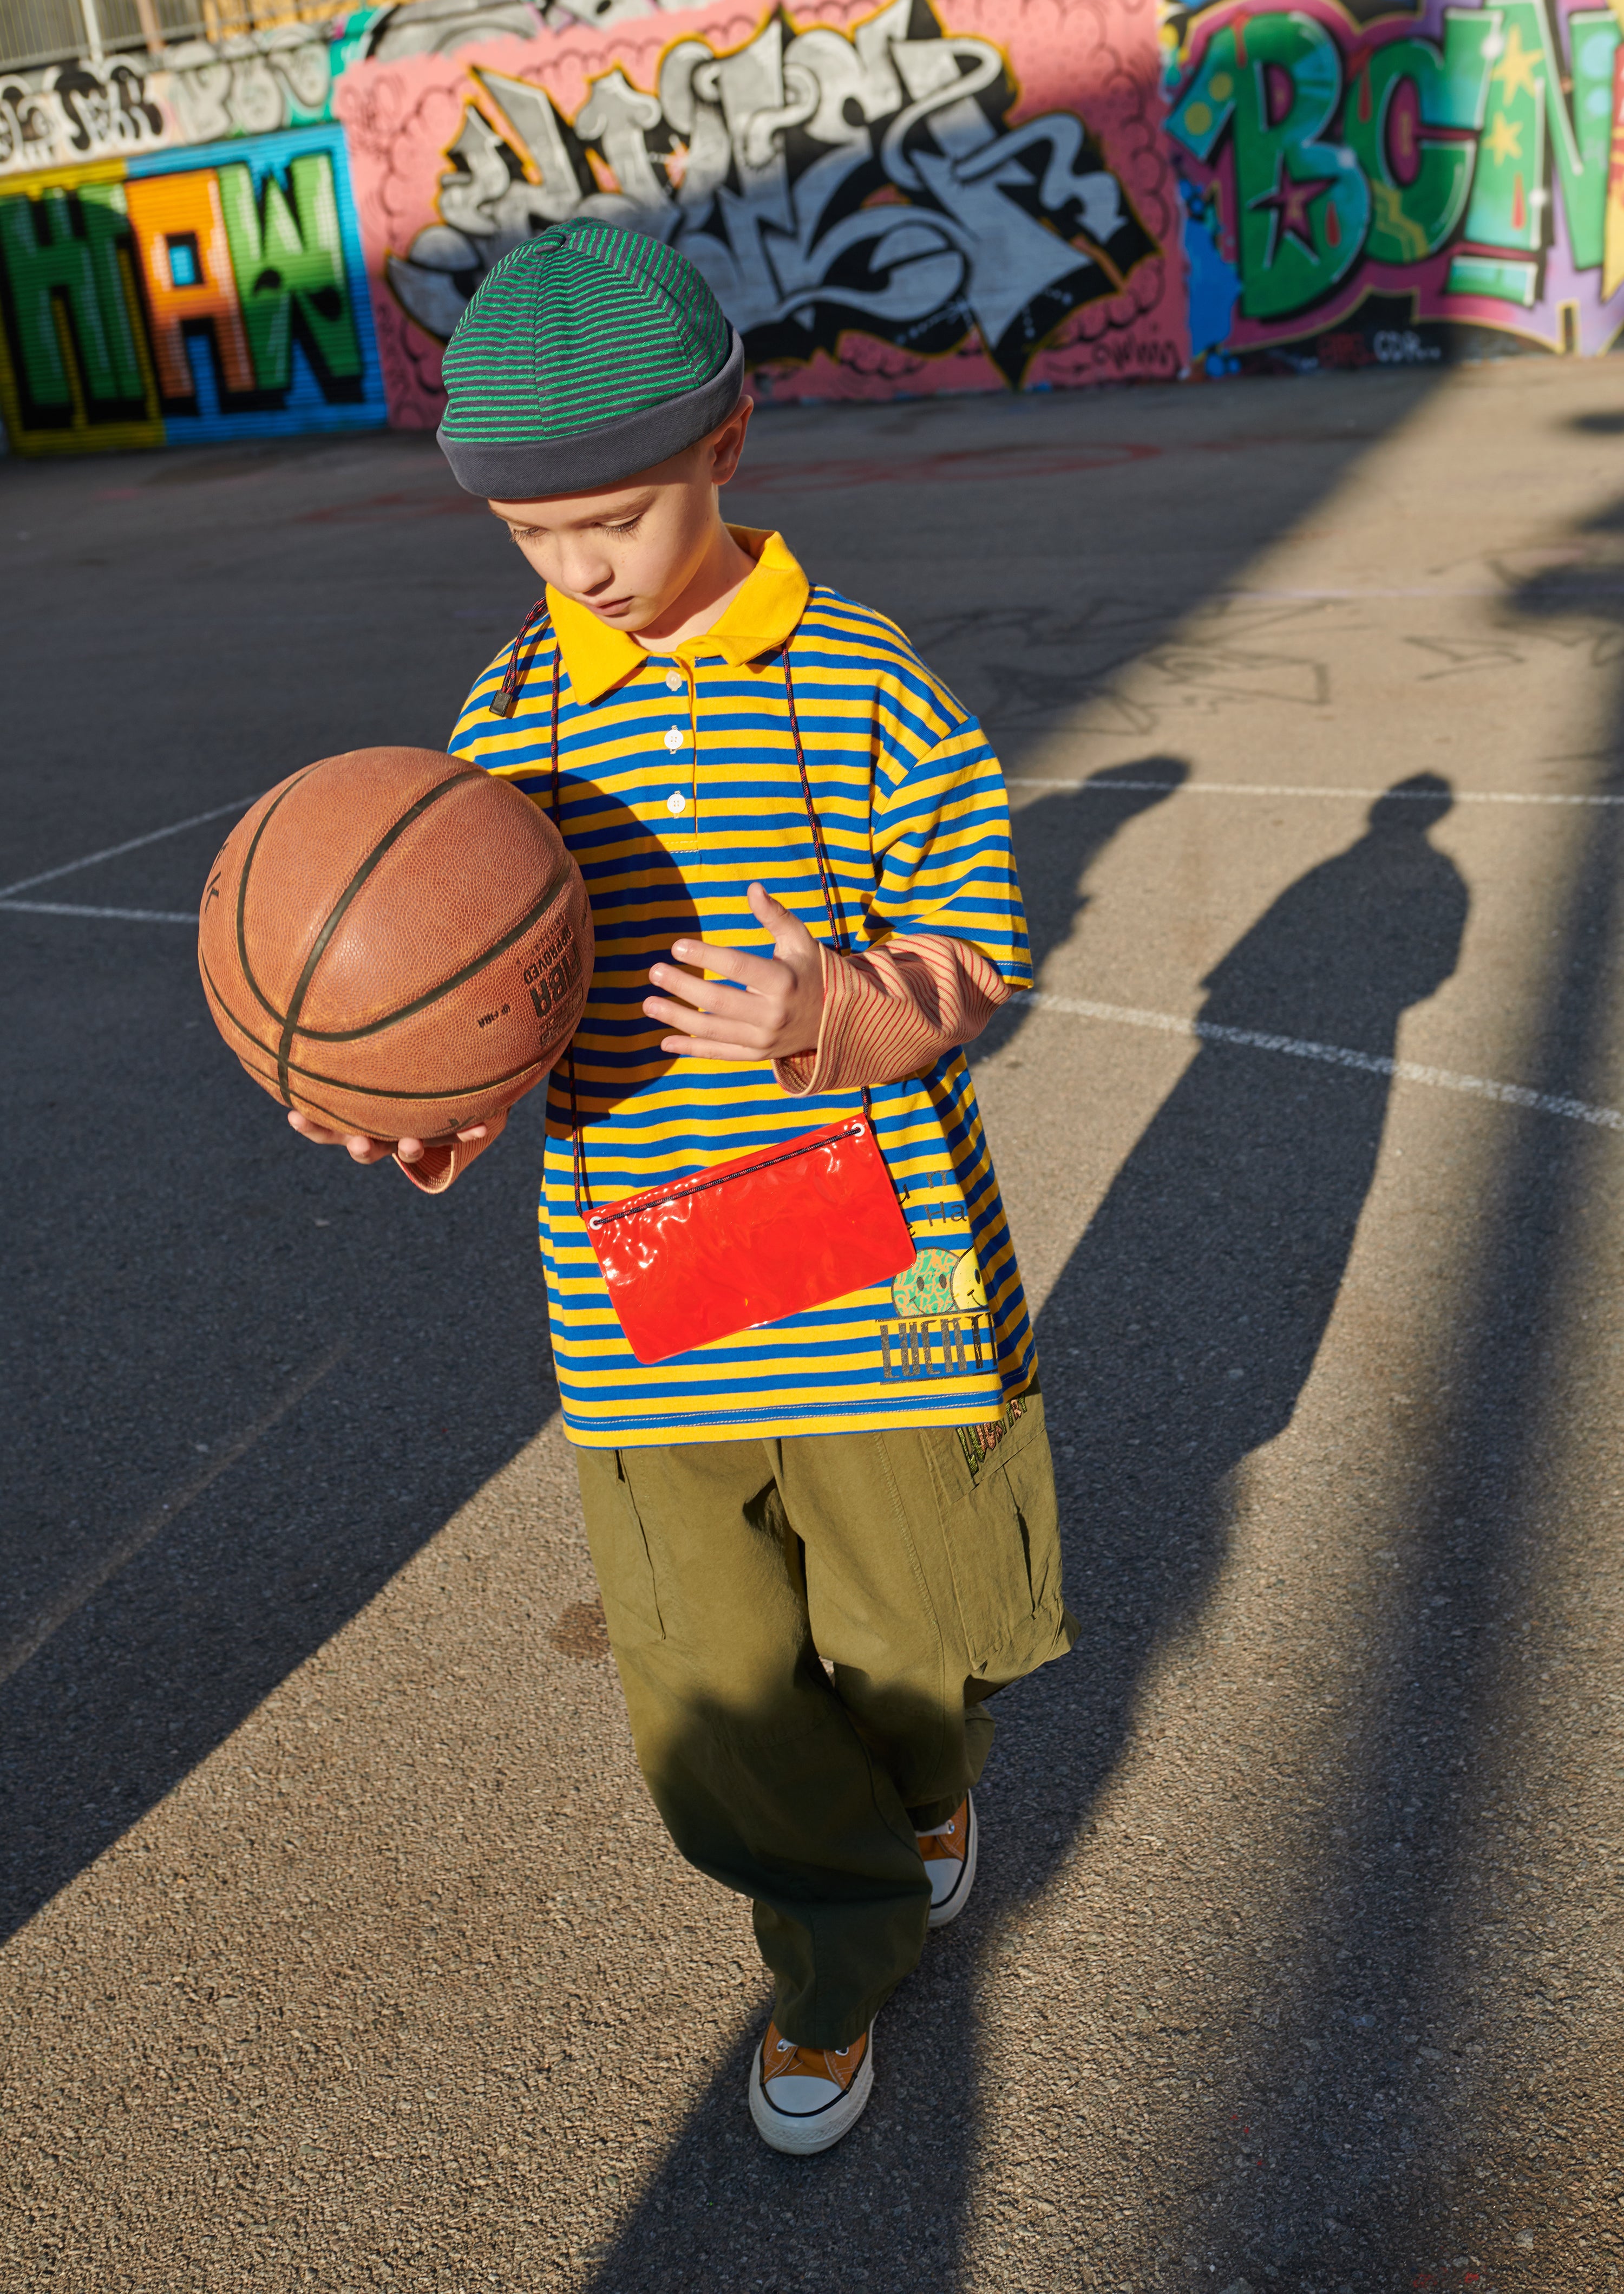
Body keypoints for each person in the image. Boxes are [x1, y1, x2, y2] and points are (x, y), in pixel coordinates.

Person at [289, 218, 1076, 2156]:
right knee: (709, 1671)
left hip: (867, 1241)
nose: (579, 570)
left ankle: (922, 1777)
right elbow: (504, 996)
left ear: (726, 445)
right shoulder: (510, 723)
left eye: (615, 522)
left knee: (905, 1625)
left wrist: (830, 1000)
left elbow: (981, 947)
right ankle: (832, 1951)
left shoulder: (854, 685)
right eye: (533, 536)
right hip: (648, 1273)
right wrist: (442, 1106)